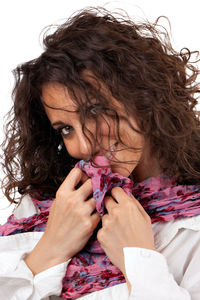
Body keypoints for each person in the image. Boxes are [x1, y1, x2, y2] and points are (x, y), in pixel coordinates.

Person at [0, 5, 200, 300]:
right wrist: (52, 247)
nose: (81, 146)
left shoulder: (192, 226)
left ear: (145, 99)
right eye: (65, 129)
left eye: (95, 111)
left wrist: (139, 259)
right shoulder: (43, 210)